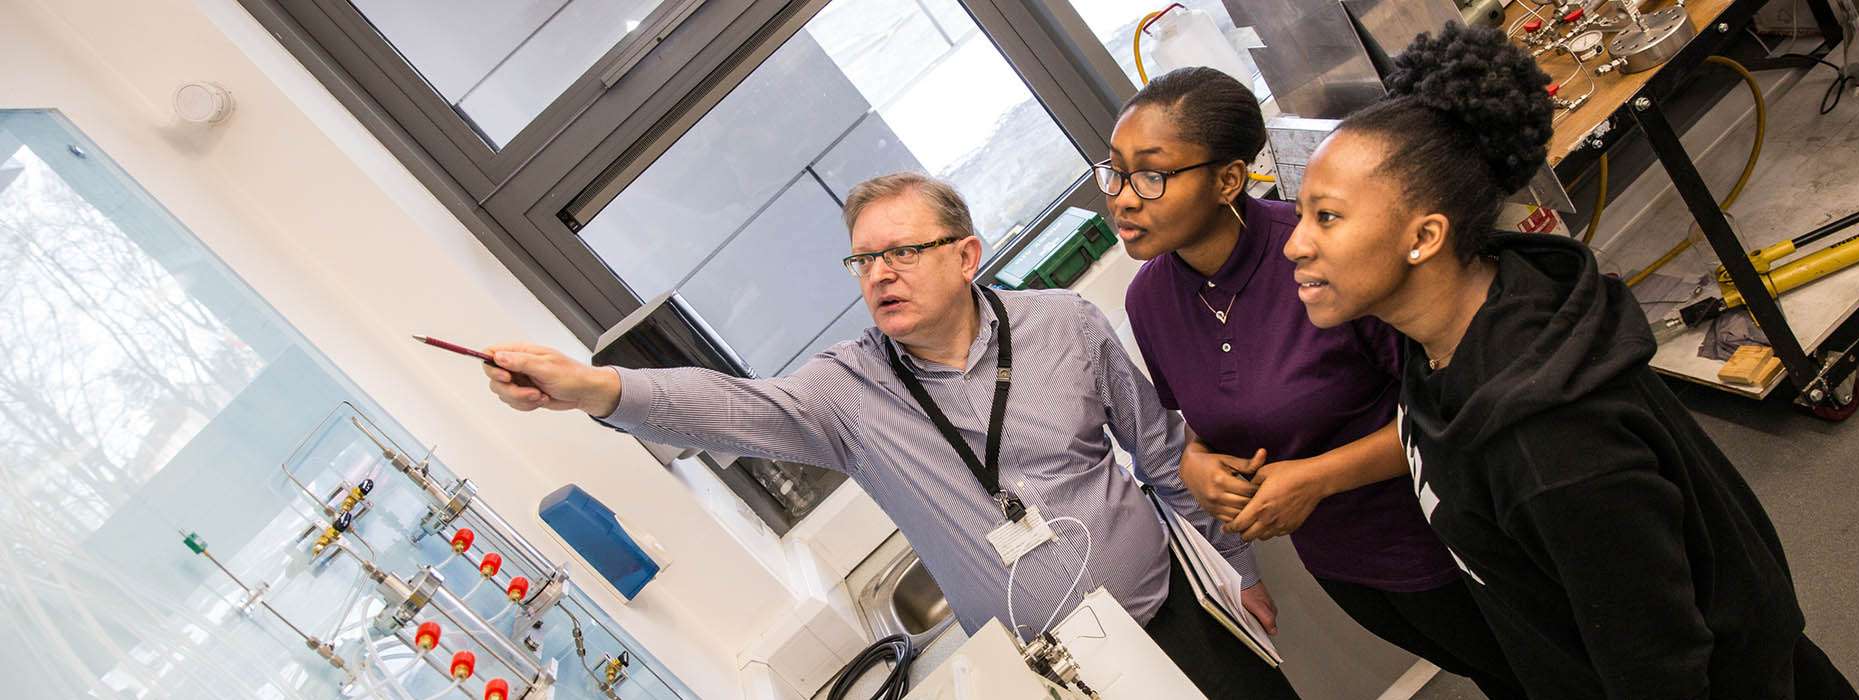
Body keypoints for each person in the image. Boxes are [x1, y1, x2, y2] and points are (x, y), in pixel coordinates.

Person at [477, 172, 1297, 699]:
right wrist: (596, 388)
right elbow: (726, 406)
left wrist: (1240, 569)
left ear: (966, 255)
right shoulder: (847, 390)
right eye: (863, 260)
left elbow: (1163, 454)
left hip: (1179, 615)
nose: (879, 273)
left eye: (902, 251)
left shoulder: (1065, 325)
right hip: (1057, 678)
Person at [1284, 23, 1858, 699]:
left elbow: (1660, 667)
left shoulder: (1551, 449)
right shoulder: (1443, 338)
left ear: (1425, 237)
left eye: (1326, 217)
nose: (1295, 244)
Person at [1107, 66, 1527, 698]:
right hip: (1345, 567)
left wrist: (1316, 478)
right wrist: (1193, 463)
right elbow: (1201, 424)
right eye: (1114, 172)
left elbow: (1452, 406)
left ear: (1228, 180)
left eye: (1151, 175)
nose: (1123, 197)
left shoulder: (1316, 253)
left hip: (1446, 539)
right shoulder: (1149, 300)